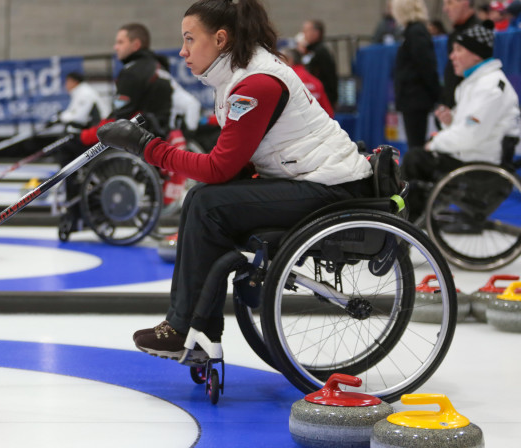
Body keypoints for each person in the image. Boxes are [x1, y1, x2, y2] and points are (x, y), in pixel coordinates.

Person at [96, 0, 373, 361]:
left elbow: (220, 168)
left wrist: (145, 146)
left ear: (221, 39)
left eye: (190, 39)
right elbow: (235, 166)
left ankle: (183, 327)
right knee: (205, 199)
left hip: (331, 187)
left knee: (206, 201)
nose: (182, 51)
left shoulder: (255, 83)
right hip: (313, 178)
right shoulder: (240, 76)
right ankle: (197, 330)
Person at [55, 23, 173, 239]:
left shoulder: (133, 72)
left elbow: (119, 120)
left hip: (134, 140)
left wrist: (83, 135)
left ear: (136, 44)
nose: (115, 47)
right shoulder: (159, 68)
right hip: (157, 136)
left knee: (68, 146)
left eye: (120, 42)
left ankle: (77, 214)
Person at [401, 21, 521, 222]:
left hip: (481, 168)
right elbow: (471, 127)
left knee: (416, 160)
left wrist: (435, 143)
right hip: (471, 156)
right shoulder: (473, 84)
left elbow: (470, 135)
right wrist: (451, 121)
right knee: (415, 161)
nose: (451, 56)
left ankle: (404, 229)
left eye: (458, 50)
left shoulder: (490, 87)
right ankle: (406, 224)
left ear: (475, 54)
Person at [392, 0, 441, 150]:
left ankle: (417, 173)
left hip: (416, 98)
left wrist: (438, 95)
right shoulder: (410, 32)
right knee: (415, 143)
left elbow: (426, 65)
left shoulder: (416, 32)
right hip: (412, 98)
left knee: (416, 145)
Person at [441, 0, 480, 108]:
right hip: (454, 109)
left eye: (450, 3)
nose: (445, 9)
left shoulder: (478, 33)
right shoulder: (454, 34)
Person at [284, 48, 334, 117]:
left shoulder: (286, 81)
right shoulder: (316, 82)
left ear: (289, 60)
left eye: (280, 59)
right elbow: (329, 112)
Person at [301, 19, 339, 108]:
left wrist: (332, 99)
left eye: (306, 30)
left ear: (316, 32)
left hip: (322, 99)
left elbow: (329, 77)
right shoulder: (309, 51)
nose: (303, 33)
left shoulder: (321, 52)